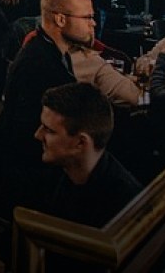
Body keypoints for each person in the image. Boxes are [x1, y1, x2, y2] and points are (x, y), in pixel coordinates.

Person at [0, 0, 86, 216]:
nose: (93, 23)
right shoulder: (40, 64)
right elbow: (27, 129)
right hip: (25, 175)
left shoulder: (47, 51)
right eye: (87, 17)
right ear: (61, 19)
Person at [36, 82, 142, 228]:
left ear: (81, 142)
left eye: (49, 130)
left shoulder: (124, 207)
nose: (37, 135)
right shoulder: (51, 173)